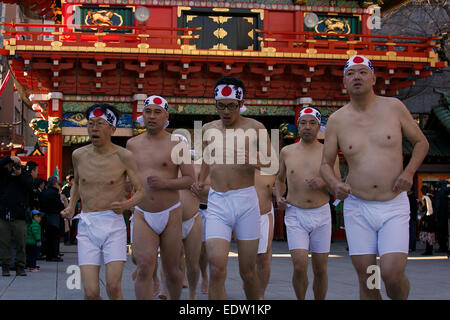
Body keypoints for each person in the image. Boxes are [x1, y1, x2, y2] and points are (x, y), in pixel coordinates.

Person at [320, 55, 429, 300]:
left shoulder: (393, 107)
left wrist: (409, 173)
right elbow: (325, 165)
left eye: (362, 72)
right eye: (350, 74)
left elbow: (421, 142)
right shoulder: (337, 120)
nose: (356, 77)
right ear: (344, 82)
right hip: (359, 207)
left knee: (391, 275)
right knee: (368, 279)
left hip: (393, 204)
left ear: (373, 78)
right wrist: (335, 183)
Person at [192, 76, 274, 300]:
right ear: (215, 103)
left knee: (247, 271)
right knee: (216, 268)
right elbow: (208, 158)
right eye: (221, 105)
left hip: (246, 202)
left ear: (240, 103)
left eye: (231, 106)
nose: (226, 111)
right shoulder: (208, 128)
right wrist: (201, 179)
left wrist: (253, 160)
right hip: (217, 202)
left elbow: (271, 161)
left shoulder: (255, 127)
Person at [61, 103, 145, 300]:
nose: (94, 128)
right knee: (90, 293)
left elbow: (141, 190)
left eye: (100, 124)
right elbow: (78, 183)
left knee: (113, 287)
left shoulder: (124, 156)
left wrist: (126, 205)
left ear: (112, 129)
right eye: (90, 124)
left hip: (113, 224)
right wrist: (71, 206)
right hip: (87, 224)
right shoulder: (78, 155)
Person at [126, 95, 195, 300]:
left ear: (166, 116)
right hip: (142, 212)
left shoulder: (177, 144)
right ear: (142, 115)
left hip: (170, 212)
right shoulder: (132, 144)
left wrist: (165, 183)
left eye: (157, 112)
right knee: (144, 266)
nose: (152, 116)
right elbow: (126, 176)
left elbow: (190, 179)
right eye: (148, 112)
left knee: (172, 271)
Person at [275, 107, 341, 300]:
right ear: (298, 126)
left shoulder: (328, 152)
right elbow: (279, 180)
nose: (307, 127)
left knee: (320, 268)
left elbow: (337, 184)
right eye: (303, 122)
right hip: (295, 213)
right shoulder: (287, 152)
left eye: (312, 123)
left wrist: (324, 182)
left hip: (321, 212)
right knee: (299, 265)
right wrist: (279, 196)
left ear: (319, 126)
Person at [0, 157, 37, 277]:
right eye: (12, 165)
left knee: (21, 242)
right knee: (3, 243)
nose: (14, 167)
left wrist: (20, 174)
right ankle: (5, 266)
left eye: (16, 165)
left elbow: (30, 186)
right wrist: (8, 158)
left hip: (19, 216)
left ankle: (20, 266)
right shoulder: (4, 175)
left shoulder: (25, 175)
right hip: (4, 214)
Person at [254, 168, 276, 299]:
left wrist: (277, 192)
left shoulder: (271, 169)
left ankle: (260, 294)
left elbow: (279, 187)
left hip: (264, 213)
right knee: (249, 256)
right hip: (243, 215)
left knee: (263, 255)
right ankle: (250, 277)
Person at [190, 162, 211, 295]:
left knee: (208, 249)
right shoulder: (193, 167)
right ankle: (202, 275)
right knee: (198, 249)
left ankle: (207, 276)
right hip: (197, 209)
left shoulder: (220, 165)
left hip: (215, 209)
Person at [39, 176, 65, 262]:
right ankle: (54, 255)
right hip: (54, 216)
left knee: (47, 237)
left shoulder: (43, 192)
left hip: (45, 216)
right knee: (54, 237)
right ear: (54, 183)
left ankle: (48, 254)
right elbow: (59, 205)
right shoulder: (55, 193)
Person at [418, 185, 435, 255]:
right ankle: (429, 249)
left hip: (427, 218)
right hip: (431, 218)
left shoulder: (425, 198)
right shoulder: (431, 197)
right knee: (430, 234)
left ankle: (428, 250)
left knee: (427, 234)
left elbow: (423, 209)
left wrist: (419, 203)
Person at [62, 175, 77, 245]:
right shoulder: (65, 189)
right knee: (67, 224)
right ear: (69, 181)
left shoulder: (76, 188)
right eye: (72, 180)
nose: (74, 181)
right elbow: (62, 197)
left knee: (74, 225)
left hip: (74, 208)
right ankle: (66, 240)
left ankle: (73, 239)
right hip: (67, 208)